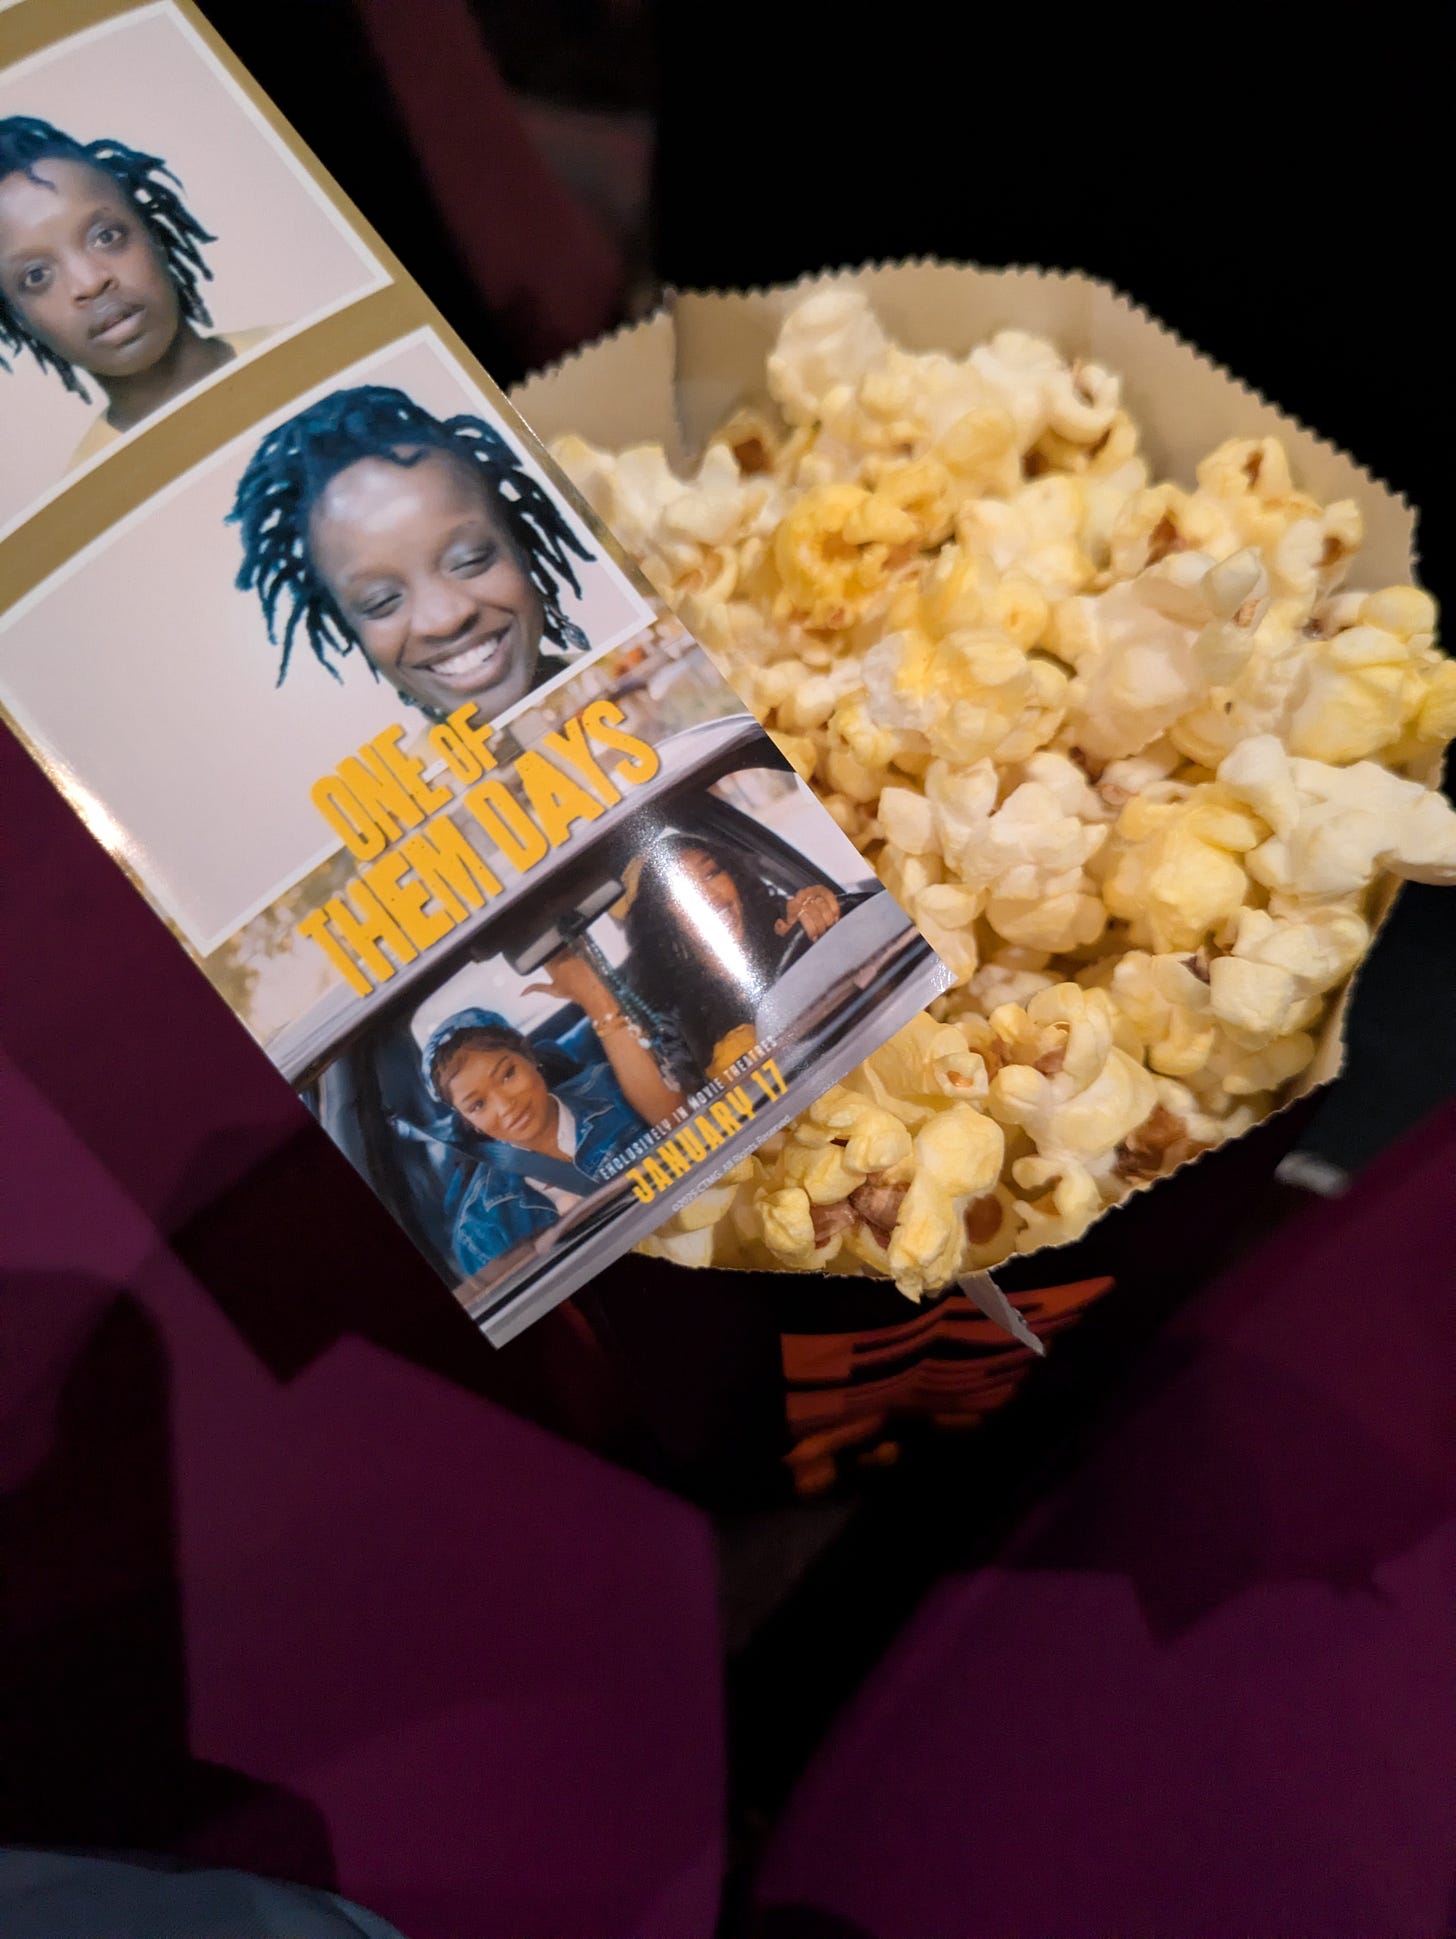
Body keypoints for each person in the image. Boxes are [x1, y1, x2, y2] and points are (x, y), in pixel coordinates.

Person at [230, 384, 594, 716]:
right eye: (380, 601)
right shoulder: (421, 784)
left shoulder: (642, 671)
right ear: (350, 627)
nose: (444, 618)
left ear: (521, 545)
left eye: (471, 560)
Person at [0, 116, 270, 466]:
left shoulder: (307, 350)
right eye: (36, 276)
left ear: (152, 232)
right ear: (19, 319)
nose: (90, 283)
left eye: (106, 236)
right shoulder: (89, 497)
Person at [423, 947, 684, 1275]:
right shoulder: (481, 1228)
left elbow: (691, 1131)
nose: (506, 1108)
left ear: (529, 1057)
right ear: (465, 1119)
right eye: (478, 1105)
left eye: (507, 1074)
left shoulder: (617, 1087)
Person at [621, 830, 847, 1086]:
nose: (711, 899)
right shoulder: (677, 1019)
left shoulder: (784, 926)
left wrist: (820, 910)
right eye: (683, 891)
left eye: (712, 873)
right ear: (665, 918)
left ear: (733, 877)